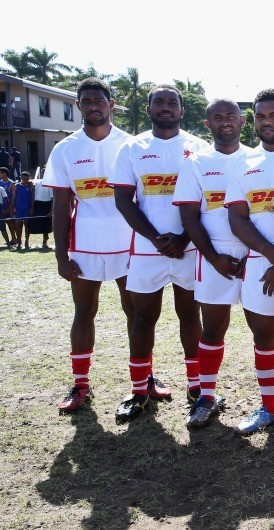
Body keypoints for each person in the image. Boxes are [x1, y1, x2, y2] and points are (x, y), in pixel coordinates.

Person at [109, 84, 210, 421]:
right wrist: (155, 238)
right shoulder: (131, 147)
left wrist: (183, 238)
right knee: (141, 318)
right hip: (146, 249)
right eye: (159, 102)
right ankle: (139, 390)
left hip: (190, 247)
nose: (166, 107)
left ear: (182, 110)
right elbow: (123, 200)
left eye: (173, 102)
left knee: (190, 316)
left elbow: (209, 200)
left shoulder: (198, 147)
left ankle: (196, 387)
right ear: (149, 108)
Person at [42, 77, 135, 411]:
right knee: (84, 312)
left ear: (110, 104)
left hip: (128, 244)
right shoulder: (65, 149)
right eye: (87, 101)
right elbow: (61, 205)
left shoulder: (131, 145)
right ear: (78, 105)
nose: (94, 106)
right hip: (85, 247)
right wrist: (60, 256)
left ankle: (145, 379)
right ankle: (80, 385)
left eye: (100, 100)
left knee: (136, 313)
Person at [224, 88, 274, 435]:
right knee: (264, 338)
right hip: (261, 262)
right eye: (260, 115)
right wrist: (273, 257)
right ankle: (271, 406)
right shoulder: (242, 162)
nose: (266, 121)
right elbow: (238, 218)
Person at [172, 98, 250, 428]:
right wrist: (214, 258)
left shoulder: (258, 158)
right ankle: (206, 395)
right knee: (213, 329)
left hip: (256, 256)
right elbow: (189, 216)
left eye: (230, 116)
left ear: (243, 120)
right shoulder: (196, 161)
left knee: (266, 330)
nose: (225, 121)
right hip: (214, 256)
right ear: (208, 124)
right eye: (217, 117)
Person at [30, 168, 53, 248]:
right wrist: (32, 208)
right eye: (43, 173)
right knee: (35, 223)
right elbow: (33, 196)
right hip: (37, 204)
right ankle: (26, 242)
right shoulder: (36, 183)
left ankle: (45, 242)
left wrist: (51, 211)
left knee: (46, 225)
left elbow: (52, 199)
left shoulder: (51, 184)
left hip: (46, 205)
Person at [11, 170, 35, 249]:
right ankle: (19, 242)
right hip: (19, 208)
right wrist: (12, 208)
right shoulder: (17, 186)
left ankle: (27, 241)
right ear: (21, 178)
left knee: (27, 225)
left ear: (29, 178)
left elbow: (32, 198)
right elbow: (14, 197)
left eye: (27, 179)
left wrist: (32, 208)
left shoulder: (31, 186)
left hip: (27, 208)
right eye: (24, 179)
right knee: (19, 225)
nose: (25, 181)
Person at [0, 167, 12, 248]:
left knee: (3, 228)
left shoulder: (1, 188)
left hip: (0, 209)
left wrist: (6, 209)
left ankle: (8, 244)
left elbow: (6, 199)